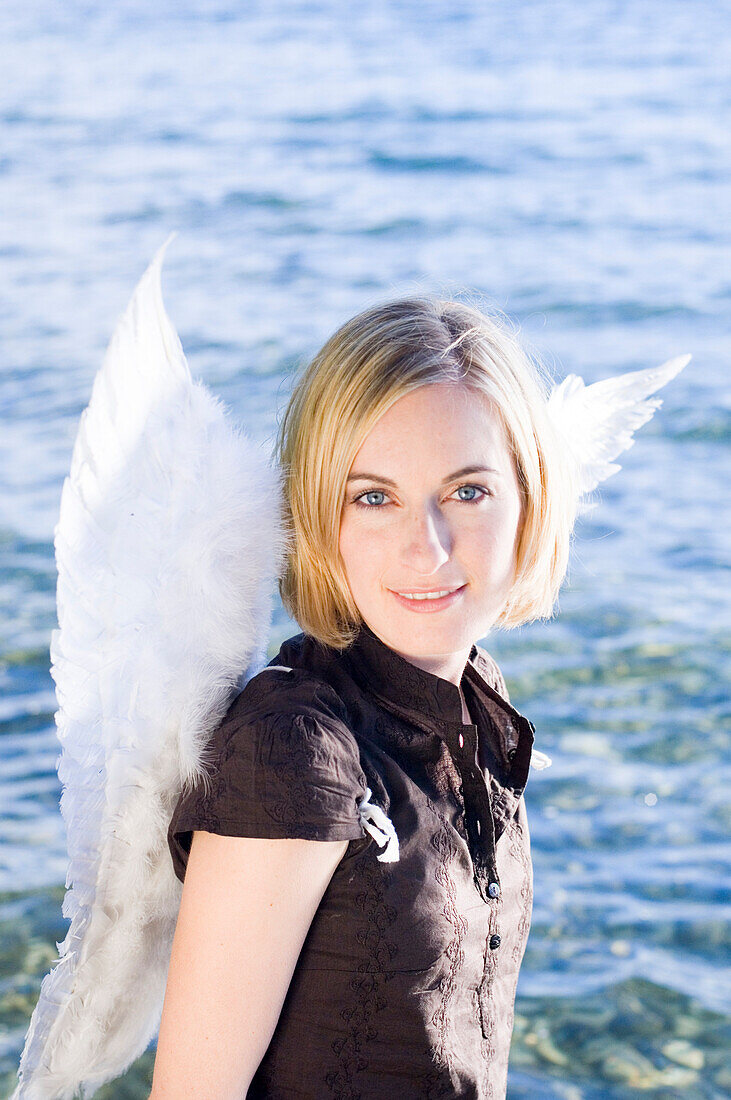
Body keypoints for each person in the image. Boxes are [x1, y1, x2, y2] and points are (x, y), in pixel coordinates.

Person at [149, 296, 578, 1099]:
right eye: (372, 496)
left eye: (468, 491)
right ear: (318, 514)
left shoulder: (475, 696)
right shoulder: (293, 747)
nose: (428, 546)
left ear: (530, 497)